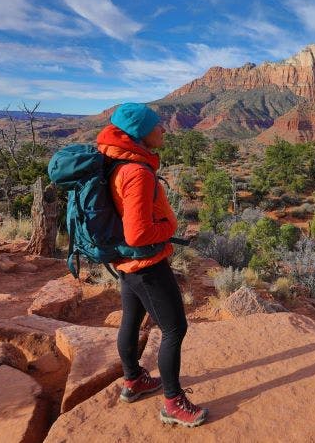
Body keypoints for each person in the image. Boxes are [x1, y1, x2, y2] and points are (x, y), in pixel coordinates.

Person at [96, 102, 207, 427]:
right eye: (158, 125)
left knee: (131, 318)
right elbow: (138, 233)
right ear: (141, 133)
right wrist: (170, 229)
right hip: (146, 265)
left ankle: (134, 381)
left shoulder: (117, 162)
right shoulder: (136, 172)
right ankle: (173, 403)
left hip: (127, 265)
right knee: (174, 329)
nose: (164, 129)